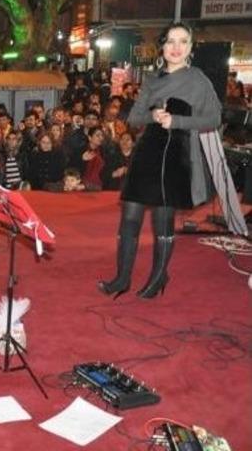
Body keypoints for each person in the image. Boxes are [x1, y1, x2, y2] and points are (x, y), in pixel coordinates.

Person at [97, 22, 245, 300]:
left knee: (162, 221)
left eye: (183, 42)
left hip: (176, 155)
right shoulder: (152, 80)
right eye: (171, 41)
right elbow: (133, 117)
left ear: (190, 48)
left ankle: (158, 276)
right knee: (129, 217)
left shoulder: (198, 79)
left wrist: (177, 120)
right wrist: (152, 115)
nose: (176, 48)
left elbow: (214, 118)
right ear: (162, 46)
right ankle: (122, 278)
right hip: (146, 152)